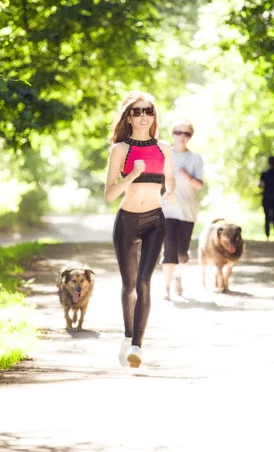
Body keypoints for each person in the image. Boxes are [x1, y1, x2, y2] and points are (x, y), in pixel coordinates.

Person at [105, 91, 176, 368]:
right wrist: (132, 175)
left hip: (155, 221)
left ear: (154, 116)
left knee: (145, 281)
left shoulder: (163, 148)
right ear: (129, 117)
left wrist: (169, 193)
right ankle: (127, 337)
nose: (144, 116)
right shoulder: (120, 150)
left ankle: (137, 346)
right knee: (129, 285)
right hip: (126, 221)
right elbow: (110, 194)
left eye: (149, 111)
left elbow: (169, 178)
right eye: (137, 111)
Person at [161, 120, 204, 299]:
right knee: (168, 249)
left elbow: (200, 185)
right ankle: (166, 288)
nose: (182, 137)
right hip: (167, 209)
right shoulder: (165, 154)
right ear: (173, 134)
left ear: (190, 137)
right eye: (179, 132)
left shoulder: (195, 158)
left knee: (182, 252)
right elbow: (156, 180)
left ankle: (178, 277)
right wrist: (162, 193)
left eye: (186, 134)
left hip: (187, 210)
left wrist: (187, 176)